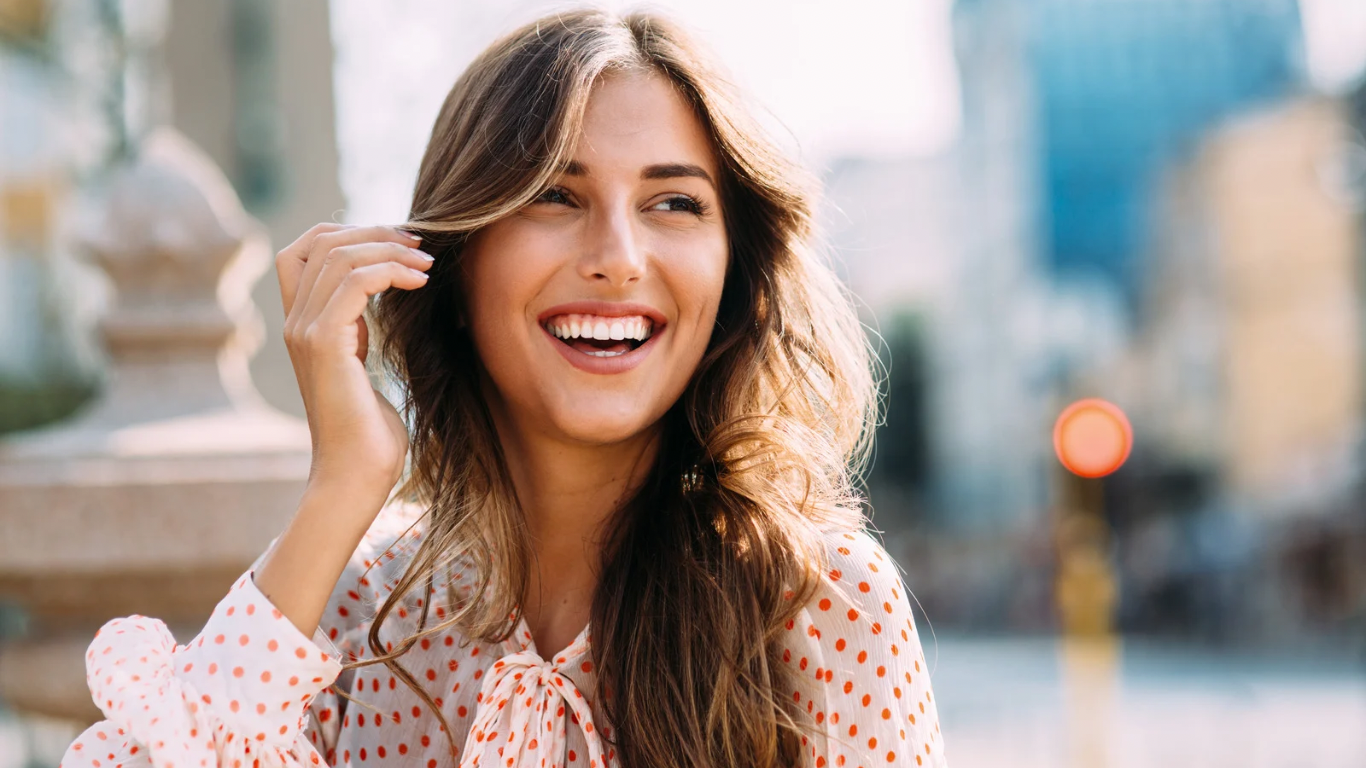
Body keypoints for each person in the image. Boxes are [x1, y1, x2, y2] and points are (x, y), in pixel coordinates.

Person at [60, 8, 947, 768]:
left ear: (734, 274)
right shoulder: (358, 615)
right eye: (554, 197)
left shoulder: (816, 600)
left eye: (673, 204)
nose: (617, 259)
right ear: (452, 259)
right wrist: (342, 486)